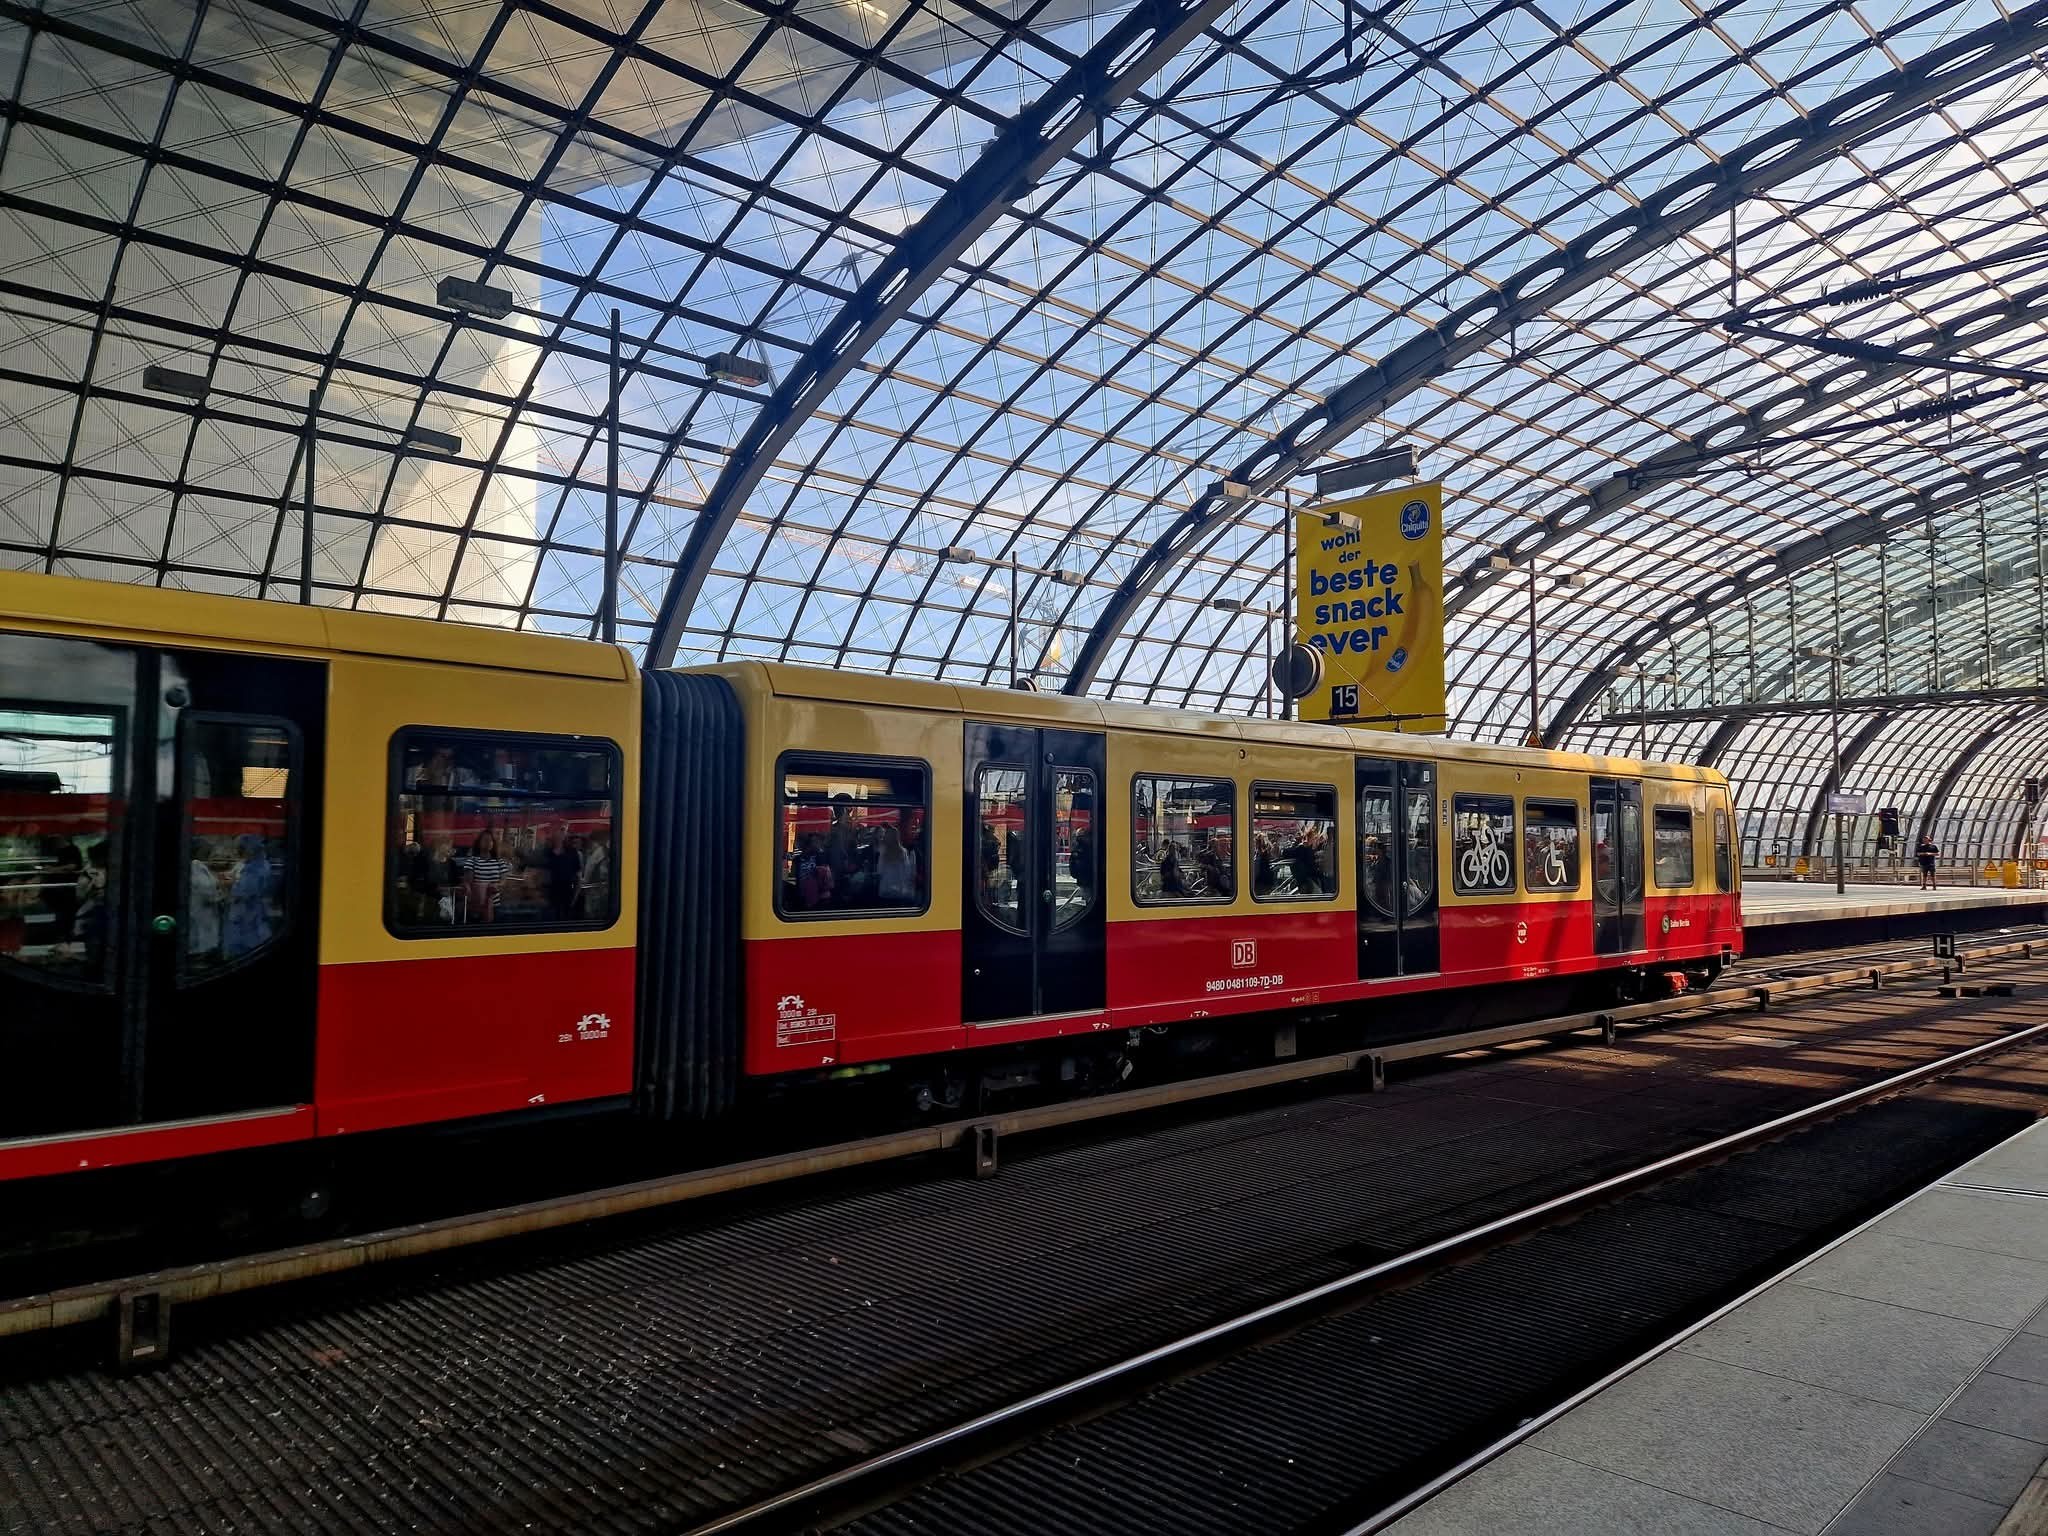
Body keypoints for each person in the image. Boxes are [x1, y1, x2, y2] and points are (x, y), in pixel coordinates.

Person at [223, 833, 273, 958]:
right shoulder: (263, 864)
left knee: (245, 950)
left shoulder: (253, 869)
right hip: (256, 913)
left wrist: (229, 885)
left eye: (240, 849)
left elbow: (242, 892)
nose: (238, 853)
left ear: (248, 850)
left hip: (247, 916)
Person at [461, 830, 512, 923]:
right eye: (485, 840)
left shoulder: (499, 862)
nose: (488, 843)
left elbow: (504, 881)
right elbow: (468, 882)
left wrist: (497, 885)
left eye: (491, 840)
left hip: (495, 905)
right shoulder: (472, 861)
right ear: (479, 843)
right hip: (477, 906)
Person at [187, 836, 222, 960]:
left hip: (202, 911)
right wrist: (221, 894)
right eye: (207, 850)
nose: (209, 853)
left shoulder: (200, 866)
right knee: (199, 942)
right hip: (200, 911)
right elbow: (206, 890)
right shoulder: (195, 866)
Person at [875, 823, 918, 904]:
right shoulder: (903, 852)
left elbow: (879, 871)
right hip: (900, 889)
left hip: (886, 889)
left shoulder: (883, 852)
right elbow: (907, 871)